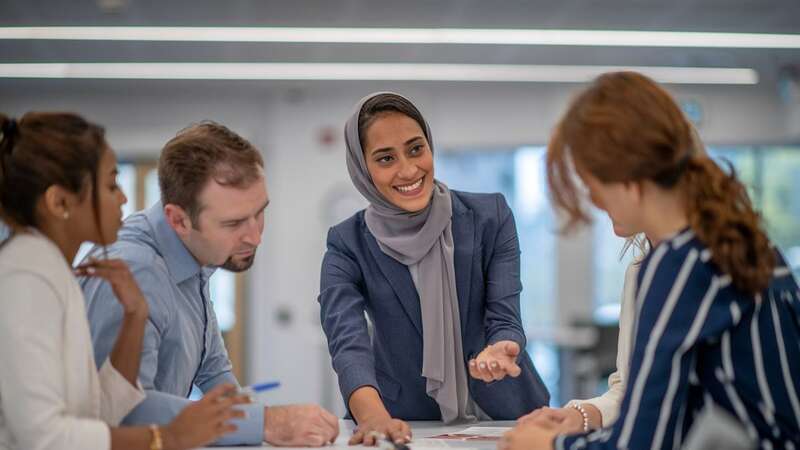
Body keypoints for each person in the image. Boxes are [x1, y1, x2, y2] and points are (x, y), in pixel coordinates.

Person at [500, 71, 800, 450]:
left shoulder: (680, 264)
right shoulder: (748, 245)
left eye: (592, 185)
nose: (594, 201)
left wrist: (548, 446)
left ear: (626, 177)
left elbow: (643, 444)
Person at [80, 121, 340, 447]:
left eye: (259, 213)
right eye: (233, 223)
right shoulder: (135, 271)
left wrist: (253, 419)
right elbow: (124, 412)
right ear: (179, 220)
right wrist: (265, 423)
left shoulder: (194, 252)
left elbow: (212, 368)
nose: (255, 236)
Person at [0, 112, 248, 450]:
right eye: (111, 185)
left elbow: (99, 413)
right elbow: (44, 436)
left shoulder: (53, 271)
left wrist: (135, 316)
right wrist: (167, 437)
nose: (124, 199)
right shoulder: (26, 279)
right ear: (59, 202)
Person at [318, 92, 550, 446]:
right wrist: (374, 416)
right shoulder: (347, 242)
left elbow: (505, 314)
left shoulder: (490, 216)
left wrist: (503, 347)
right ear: (363, 168)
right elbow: (348, 343)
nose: (409, 170)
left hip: (507, 416)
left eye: (416, 149)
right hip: (405, 420)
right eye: (385, 158)